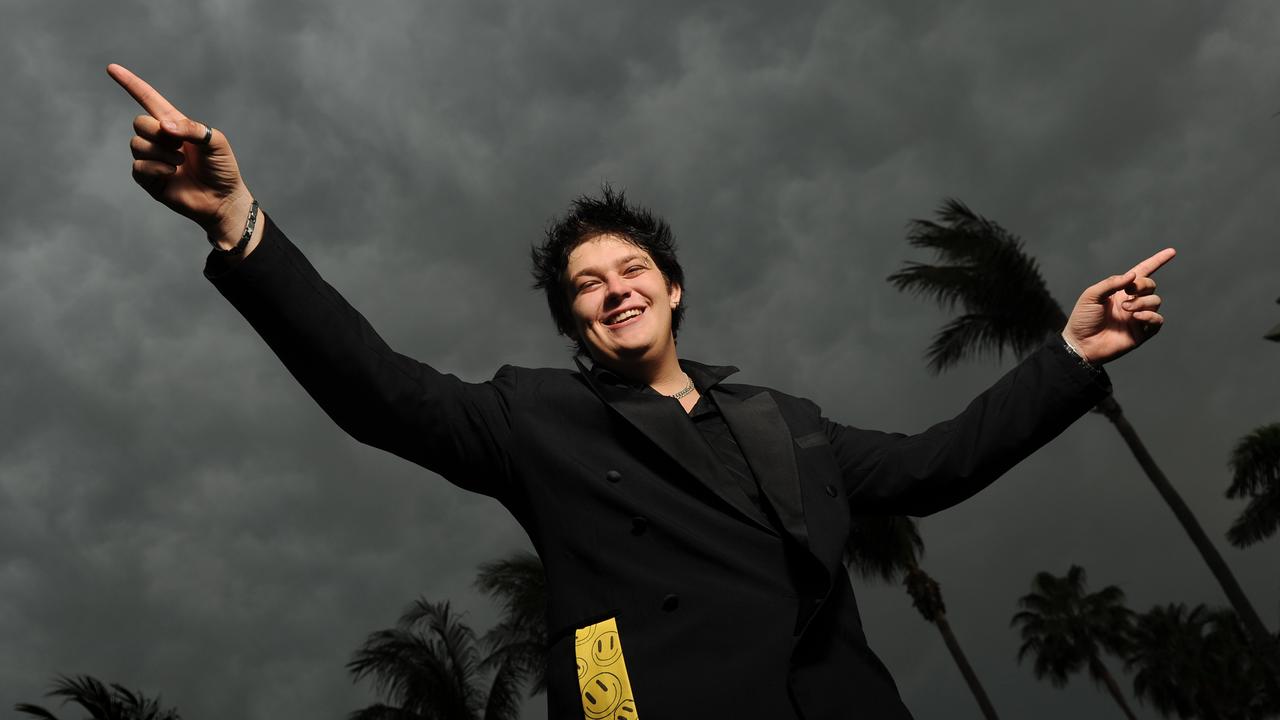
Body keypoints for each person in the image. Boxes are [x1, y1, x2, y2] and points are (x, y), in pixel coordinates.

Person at [108, 63, 1173, 720]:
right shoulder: (537, 418)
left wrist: (1069, 356)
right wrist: (237, 224)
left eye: (628, 273)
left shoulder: (787, 424)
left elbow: (939, 463)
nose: (611, 291)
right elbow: (380, 391)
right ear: (573, 323)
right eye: (585, 287)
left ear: (671, 290)